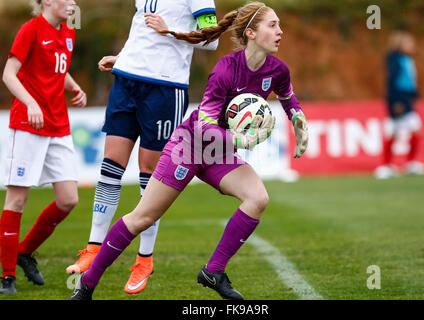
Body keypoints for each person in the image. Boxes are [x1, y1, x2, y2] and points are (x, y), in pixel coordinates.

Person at [71, 1, 308, 300]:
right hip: (189, 146)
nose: (280, 31)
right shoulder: (226, 68)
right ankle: (88, 284)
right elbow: (206, 124)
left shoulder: (278, 70)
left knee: (257, 197)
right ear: (251, 33)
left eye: (278, 25)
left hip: (217, 153)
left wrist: (299, 122)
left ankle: (214, 271)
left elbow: (288, 97)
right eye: (272, 25)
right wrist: (238, 141)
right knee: (141, 218)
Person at [66, 0, 219, 295]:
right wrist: (123, 58)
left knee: (150, 172)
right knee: (111, 164)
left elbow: (212, 38)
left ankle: (144, 259)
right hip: (126, 79)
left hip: (165, 88)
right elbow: (141, 27)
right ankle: (94, 247)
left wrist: (170, 30)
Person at [0, 0, 87, 294]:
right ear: (47, 1)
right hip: (28, 125)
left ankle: (25, 251)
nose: (74, 4)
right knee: (17, 201)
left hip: (58, 125)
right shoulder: (30, 29)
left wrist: (73, 86)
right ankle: (8, 277)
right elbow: (9, 74)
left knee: (68, 200)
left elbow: (57, 70)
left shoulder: (68, 31)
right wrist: (31, 103)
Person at [374, 31, 424, 179]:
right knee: (394, 132)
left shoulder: (406, 59)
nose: (411, 46)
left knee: (414, 130)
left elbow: (408, 80)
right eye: (408, 43)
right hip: (398, 100)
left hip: (406, 99)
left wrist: (414, 94)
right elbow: (392, 82)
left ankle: (410, 163)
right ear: (399, 45)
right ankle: (385, 166)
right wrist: (395, 102)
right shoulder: (395, 59)